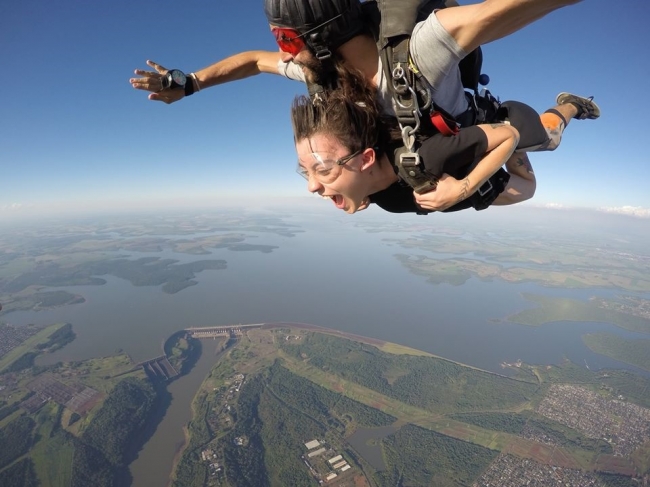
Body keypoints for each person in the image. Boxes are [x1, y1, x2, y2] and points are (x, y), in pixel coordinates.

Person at [129, 0, 583, 126]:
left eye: (286, 40)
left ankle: (569, 107)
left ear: (320, 39)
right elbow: (252, 61)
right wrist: (191, 83)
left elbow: (494, 13)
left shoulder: (424, 48)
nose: (283, 52)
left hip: (464, 129)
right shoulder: (319, 70)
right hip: (415, 155)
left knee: (545, 135)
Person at [290, 70, 599, 214]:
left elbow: (509, 136)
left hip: (509, 123)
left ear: (366, 159)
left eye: (323, 170)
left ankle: (571, 105)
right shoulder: (372, 187)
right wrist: (359, 193)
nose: (311, 186)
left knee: (547, 143)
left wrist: (461, 189)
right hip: (477, 161)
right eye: (306, 172)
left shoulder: (425, 159)